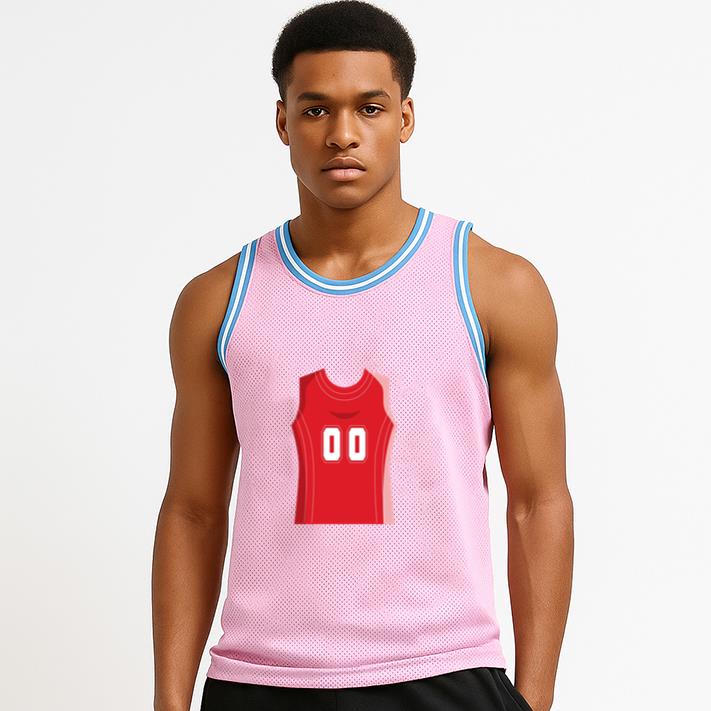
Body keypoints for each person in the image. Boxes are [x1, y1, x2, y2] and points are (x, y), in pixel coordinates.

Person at [151, 2, 573, 710]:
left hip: (444, 670)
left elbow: (538, 502)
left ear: (404, 118)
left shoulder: (495, 286)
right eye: (315, 110)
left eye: (369, 108)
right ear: (282, 122)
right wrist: (168, 703)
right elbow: (192, 511)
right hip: (262, 679)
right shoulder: (217, 300)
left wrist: (532, 702)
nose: (342, 134)